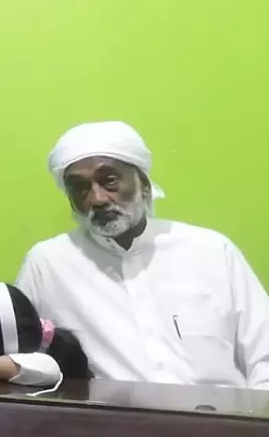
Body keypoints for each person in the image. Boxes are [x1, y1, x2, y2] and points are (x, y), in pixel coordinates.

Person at [16, 121, 269, 388]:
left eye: (109, 181)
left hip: (222, 412)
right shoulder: (47, 264)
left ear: (144, 185)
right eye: (80, 188)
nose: (97, 199)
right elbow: (18, 358)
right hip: (110, 414)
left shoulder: (212, 251)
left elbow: (264, 354)